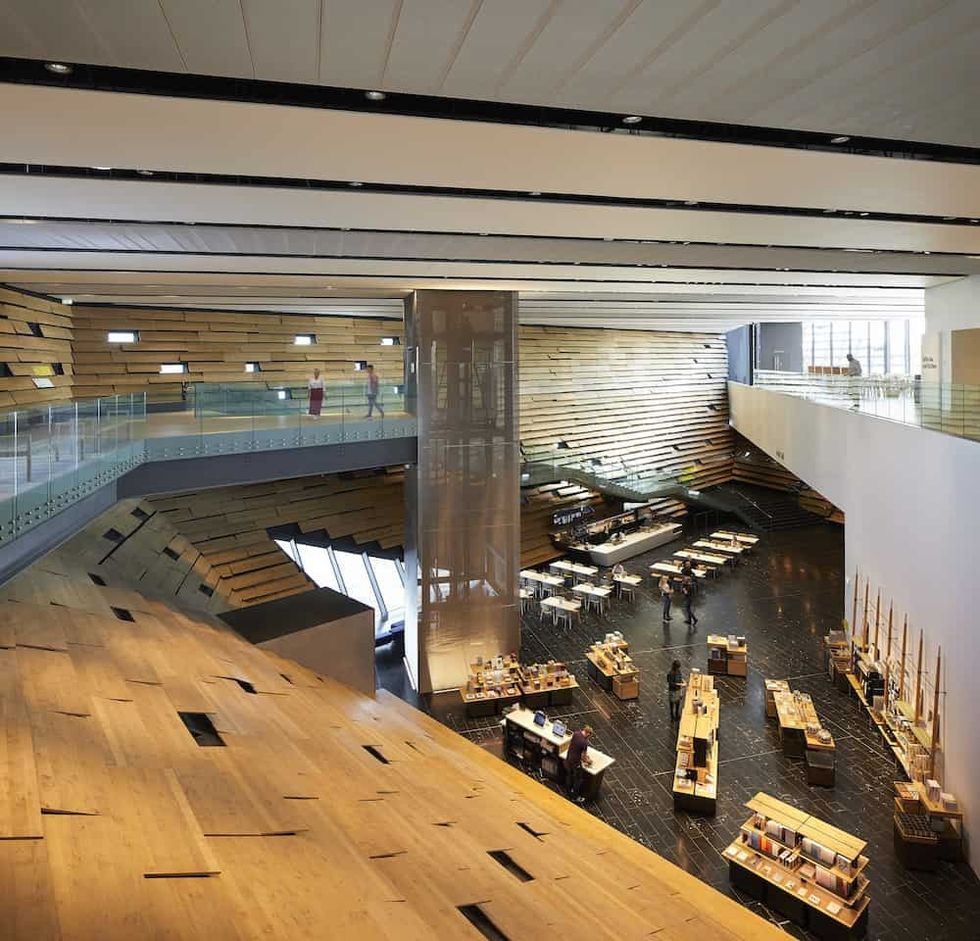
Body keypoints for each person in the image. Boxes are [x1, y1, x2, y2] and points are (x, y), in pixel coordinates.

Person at [564, 724, 593, 804]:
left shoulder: (576, 733)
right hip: (575, 763)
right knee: (578, 780)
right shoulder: (584, 742)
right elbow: (583, 757)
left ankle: (568, 791)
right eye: (589, 736)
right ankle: (575, 797)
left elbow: (574, 746)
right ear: (588, 733)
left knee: (569, 775)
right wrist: (589, 761)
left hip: (568, 758)